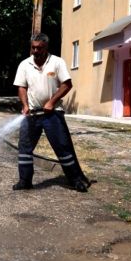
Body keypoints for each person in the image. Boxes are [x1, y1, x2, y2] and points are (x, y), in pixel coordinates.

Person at [12, 33, 90, 192]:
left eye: (39, 48)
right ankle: (25, 181)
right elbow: (21, 87)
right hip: (32, 114)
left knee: (63, 147)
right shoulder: (24, 65)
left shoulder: (57, 62)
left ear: (46, 47)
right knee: (24, 148)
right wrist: (25, 105)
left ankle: (76, 180)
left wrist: (51, 102)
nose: (35, 51)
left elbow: (67, 84)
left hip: (52, 114)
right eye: (33, 47)